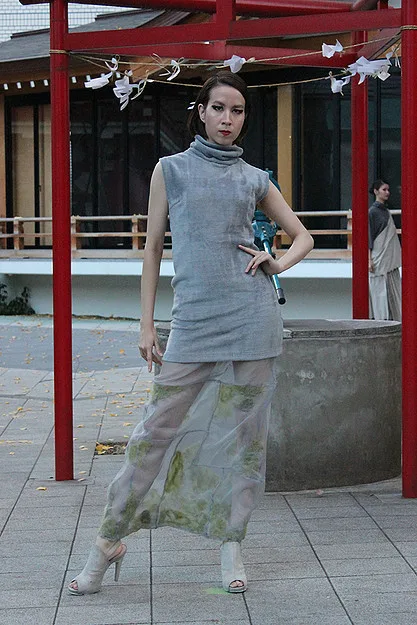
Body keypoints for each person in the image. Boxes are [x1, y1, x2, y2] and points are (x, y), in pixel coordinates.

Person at [68, 71, 313, 597]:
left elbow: (304, 237)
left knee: (247, 442)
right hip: (194, 322)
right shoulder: (171, 170)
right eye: (219, 108)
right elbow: (154, 248)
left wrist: (277, 262)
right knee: (152, 433)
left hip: (252, 319)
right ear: (201, 112)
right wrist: (146, 324)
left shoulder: (254, 178)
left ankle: (231, 543)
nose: (228, 119)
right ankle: (107, 541)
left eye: (237, 111)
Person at [368, 179, 401, 321]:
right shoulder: (372, 212)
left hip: (390, 260)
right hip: (378, 258)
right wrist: (369, 259)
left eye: (388, 190)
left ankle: (395, 319)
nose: (387, 192)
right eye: (384, 189)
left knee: (394, 289)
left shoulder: (386, 211)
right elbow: (369, 236)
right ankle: (381, 319)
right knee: (379, 289)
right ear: (376, 191)